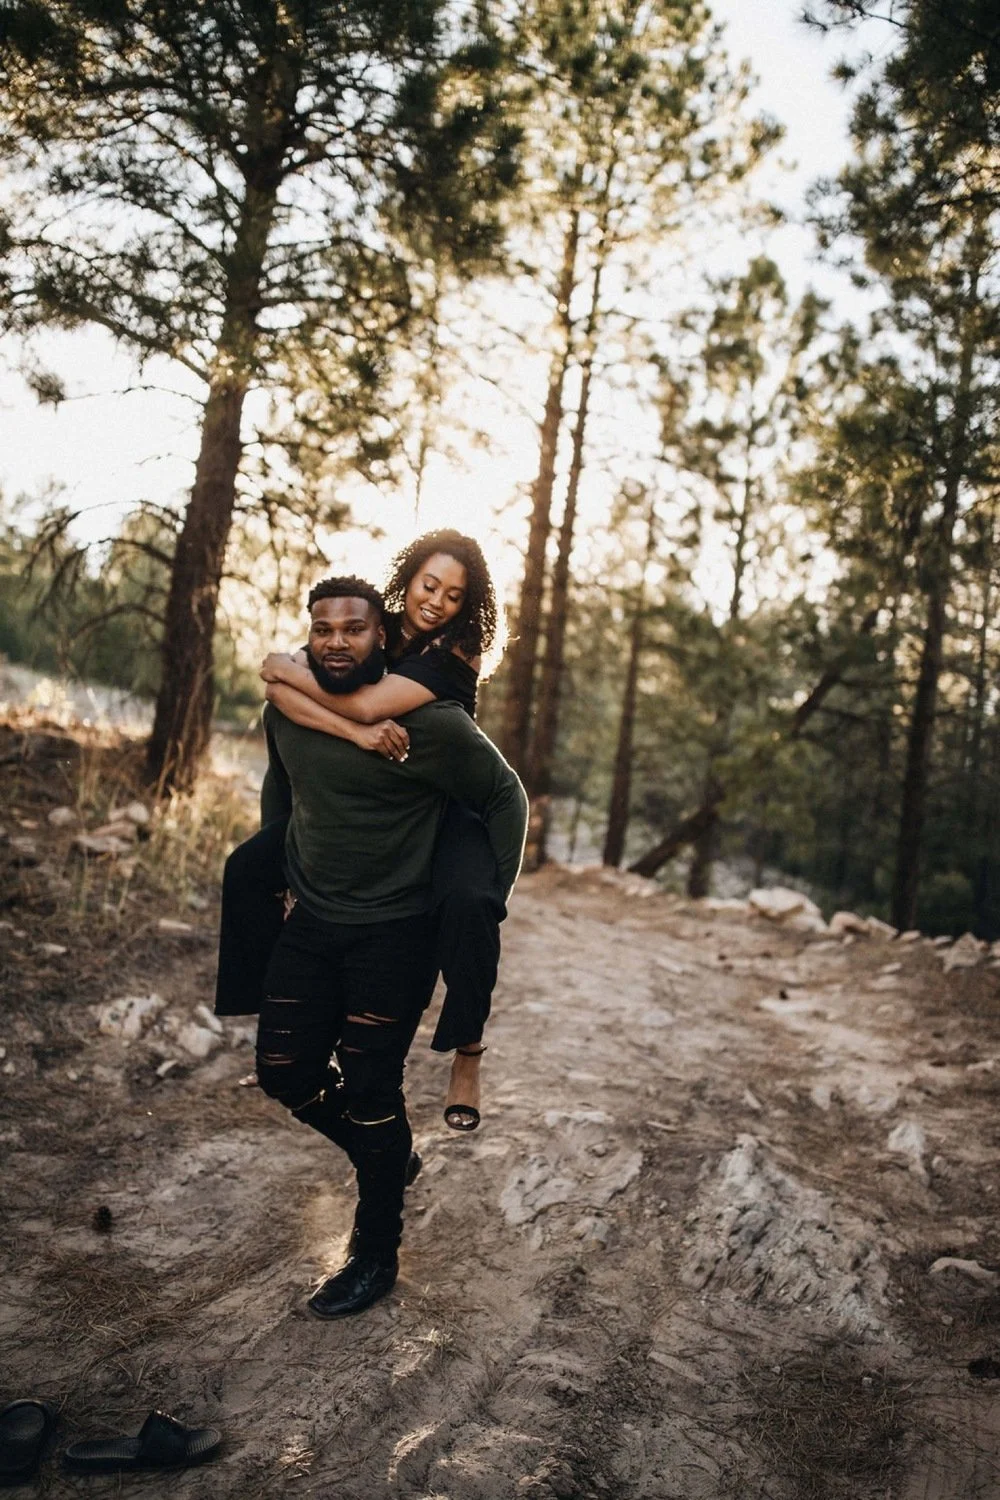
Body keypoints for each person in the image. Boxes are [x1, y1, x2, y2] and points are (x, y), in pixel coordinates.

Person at [254, 575, 526, 1317]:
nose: (337, 641)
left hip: (396, 934)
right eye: (324, 629)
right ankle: (387, 1155)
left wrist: (484, 897)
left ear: (385, 638)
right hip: (311, 919)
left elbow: (506, 796)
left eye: (354, 629)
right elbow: (281, 784)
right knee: (282, 1071)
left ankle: (374, 1254)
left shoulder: (430, 725)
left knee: (373, 1091)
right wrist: (278, 870)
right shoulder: (290, 708)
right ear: (310, 635)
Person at [216, 529, 505, 1130]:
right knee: (246, 870)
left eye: (454, 595)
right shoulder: (372, 624)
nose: (437, 602)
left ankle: (468, 1049)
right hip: (357, 795)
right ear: (408, 578)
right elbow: (289, 694)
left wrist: (292, 675)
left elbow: (370, 705)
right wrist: (295, 684)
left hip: (438, 799)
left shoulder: (457, 650)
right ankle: (275, 1011)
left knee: (472, 905)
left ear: (467, 604)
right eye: (430, 585)